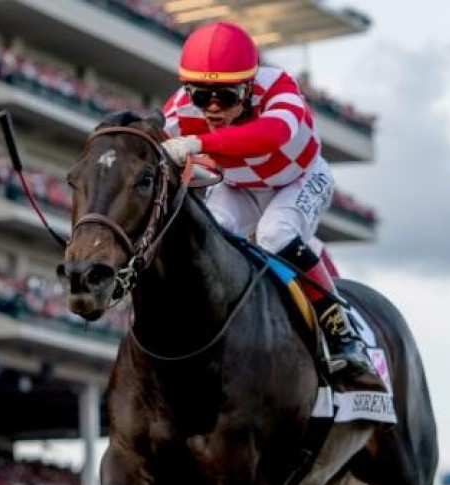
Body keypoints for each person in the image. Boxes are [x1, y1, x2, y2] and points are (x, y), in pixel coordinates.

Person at [160, 21, 374, 382]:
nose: (212, 108)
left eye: (226, 97)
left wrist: (201, 144)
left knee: (275, 234)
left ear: (248, 87)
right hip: (239, 186)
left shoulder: (278, 86)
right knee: (211, 235)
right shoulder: (180, 108)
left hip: (298, 179)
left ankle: (340, 329)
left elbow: (272, 134)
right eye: (201, 96)